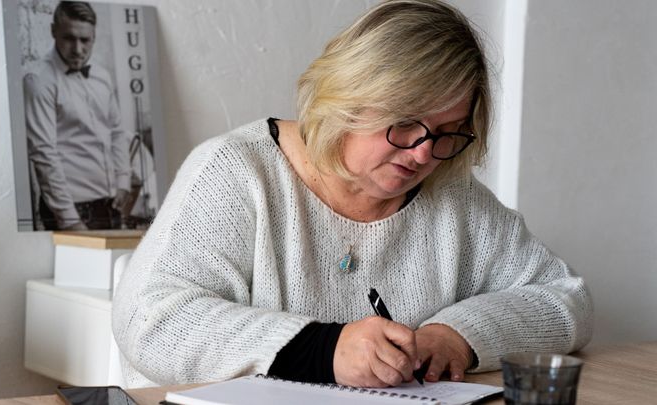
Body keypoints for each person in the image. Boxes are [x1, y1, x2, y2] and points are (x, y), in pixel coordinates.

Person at [112, 0, 593, 388]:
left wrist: (456, 336)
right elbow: (148, 321)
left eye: (450, 132)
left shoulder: (453, 195)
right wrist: (323, 350)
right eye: (406, 123)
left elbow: (564, 296)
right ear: (348, 97)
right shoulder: (238, 174)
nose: (424, 155)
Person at [24, 1, 131, 230]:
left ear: (94, 36)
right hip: (73, 208)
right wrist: (69, 219)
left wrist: (123, 180)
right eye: (69, 38)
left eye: (85, 40)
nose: (78, 49)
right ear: (53, 31)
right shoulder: (39, 80)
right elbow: (43, 153)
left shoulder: (101, 75)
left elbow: (116, 131)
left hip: (109, 204)